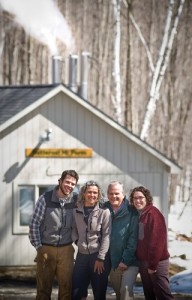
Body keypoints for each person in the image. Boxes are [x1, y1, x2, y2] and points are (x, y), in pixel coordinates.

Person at [29, 169, 79, 300]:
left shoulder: (76, 200)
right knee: (43, 291)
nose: (70, 186)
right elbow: (34, 224)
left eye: (73, 184)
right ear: (60, 181)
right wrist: (39, 248)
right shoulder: (45, 198)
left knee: (66, 290)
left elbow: (95, 199)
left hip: (67, 250)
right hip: (46, 248)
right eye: (67, 182)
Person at [129, 186, 174, 300]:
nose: (138, 201)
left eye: (140, 197)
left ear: (147, 198)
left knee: (163, 295)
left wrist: (152, 265)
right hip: (144, 262)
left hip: (157, 263)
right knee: (149, 295)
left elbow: (157, 242)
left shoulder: (154, 214)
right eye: (135, 198)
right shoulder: (140, 214)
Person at [72, 180, 111, 300]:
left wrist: (101, 257)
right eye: (89, 192)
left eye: (95, 192)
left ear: (98, 195)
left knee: (99, 293)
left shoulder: (104, 211)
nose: (92, 195)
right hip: (81, 256)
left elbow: (106, 236)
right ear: (84, 193)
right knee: (76, 292)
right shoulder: (76, 210)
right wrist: (77, 242)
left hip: (98, 256)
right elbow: (73, 229)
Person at [103, 181, 139, 300]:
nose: (114, 196)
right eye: (111, 193)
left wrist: (126, 260)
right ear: (107, 195)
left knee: (125, 291)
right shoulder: (103, 209)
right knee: (119, 293)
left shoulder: (132, 212)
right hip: (113, 262)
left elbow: (133, 238)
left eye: (117, 193)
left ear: (123, 195)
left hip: (130, 261)